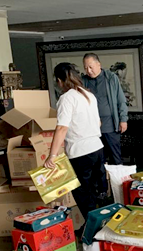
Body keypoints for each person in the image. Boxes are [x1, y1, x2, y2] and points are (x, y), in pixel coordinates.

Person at [46, 62, 104, 221]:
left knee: (82, 194)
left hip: (81, 153)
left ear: (59, 81)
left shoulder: (66, 98)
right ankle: (98, 224)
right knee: (94, 192)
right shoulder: (88, 95)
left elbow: (61, 128)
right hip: (97, 149)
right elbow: (98, 122)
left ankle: (93, 227)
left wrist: (52, 156)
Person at [82, 53, 129, 167]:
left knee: (115, 156)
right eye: (86, 68)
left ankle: (118, 178)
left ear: (99, 64)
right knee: (98, 159)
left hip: (110, 125)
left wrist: (123, 119)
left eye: (91, 67)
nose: (89, 71)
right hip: (92, 127)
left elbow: (121, 100)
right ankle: (102, 178)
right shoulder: (83, 81)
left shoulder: (111, 78)